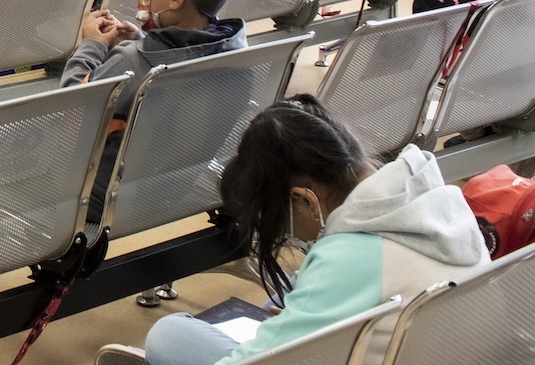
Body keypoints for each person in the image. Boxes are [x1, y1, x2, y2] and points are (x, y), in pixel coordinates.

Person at [99, 96, 487, 365]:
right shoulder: (434, 199)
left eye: (282, 217)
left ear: (304, 199)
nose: (289, 234)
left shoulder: (349, 259)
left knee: (169, 334)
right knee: (271, 302)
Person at [62, 0, 246, 119]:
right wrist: (141, 42)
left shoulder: (129, 62)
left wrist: (91, 46)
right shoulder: (237, 50)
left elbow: (69, 107)